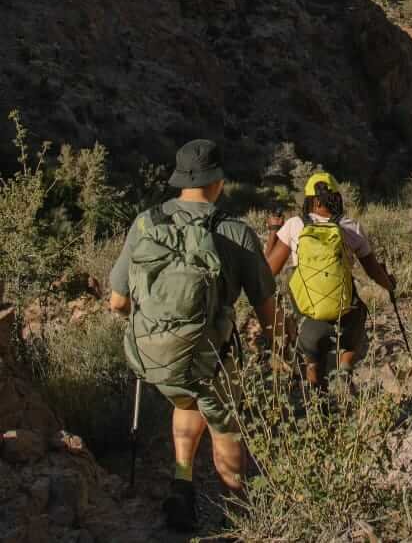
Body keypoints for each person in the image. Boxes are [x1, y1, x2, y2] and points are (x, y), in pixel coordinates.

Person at [109, 139, 275, 533]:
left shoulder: (146, 223)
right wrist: (281, 344)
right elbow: (268, 312)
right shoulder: (236, 231)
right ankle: (235, 512)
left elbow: (117, 302)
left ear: (180, 179)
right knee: (225, 424)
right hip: (211, 355)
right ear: (217, 180)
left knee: (185, 400)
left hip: (156, 357)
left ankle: (182, 487)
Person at [265, 171, 394, 391]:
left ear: (310, 201)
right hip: (345, 314)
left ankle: (318, 400)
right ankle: (344, 368)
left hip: (309, 318)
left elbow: (268, 270)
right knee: (359, 314)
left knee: (312, 359)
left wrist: (273, 232)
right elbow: (373, 272)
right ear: (336, 197)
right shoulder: (350, 226)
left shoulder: (295, 225)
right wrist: (390, 284)